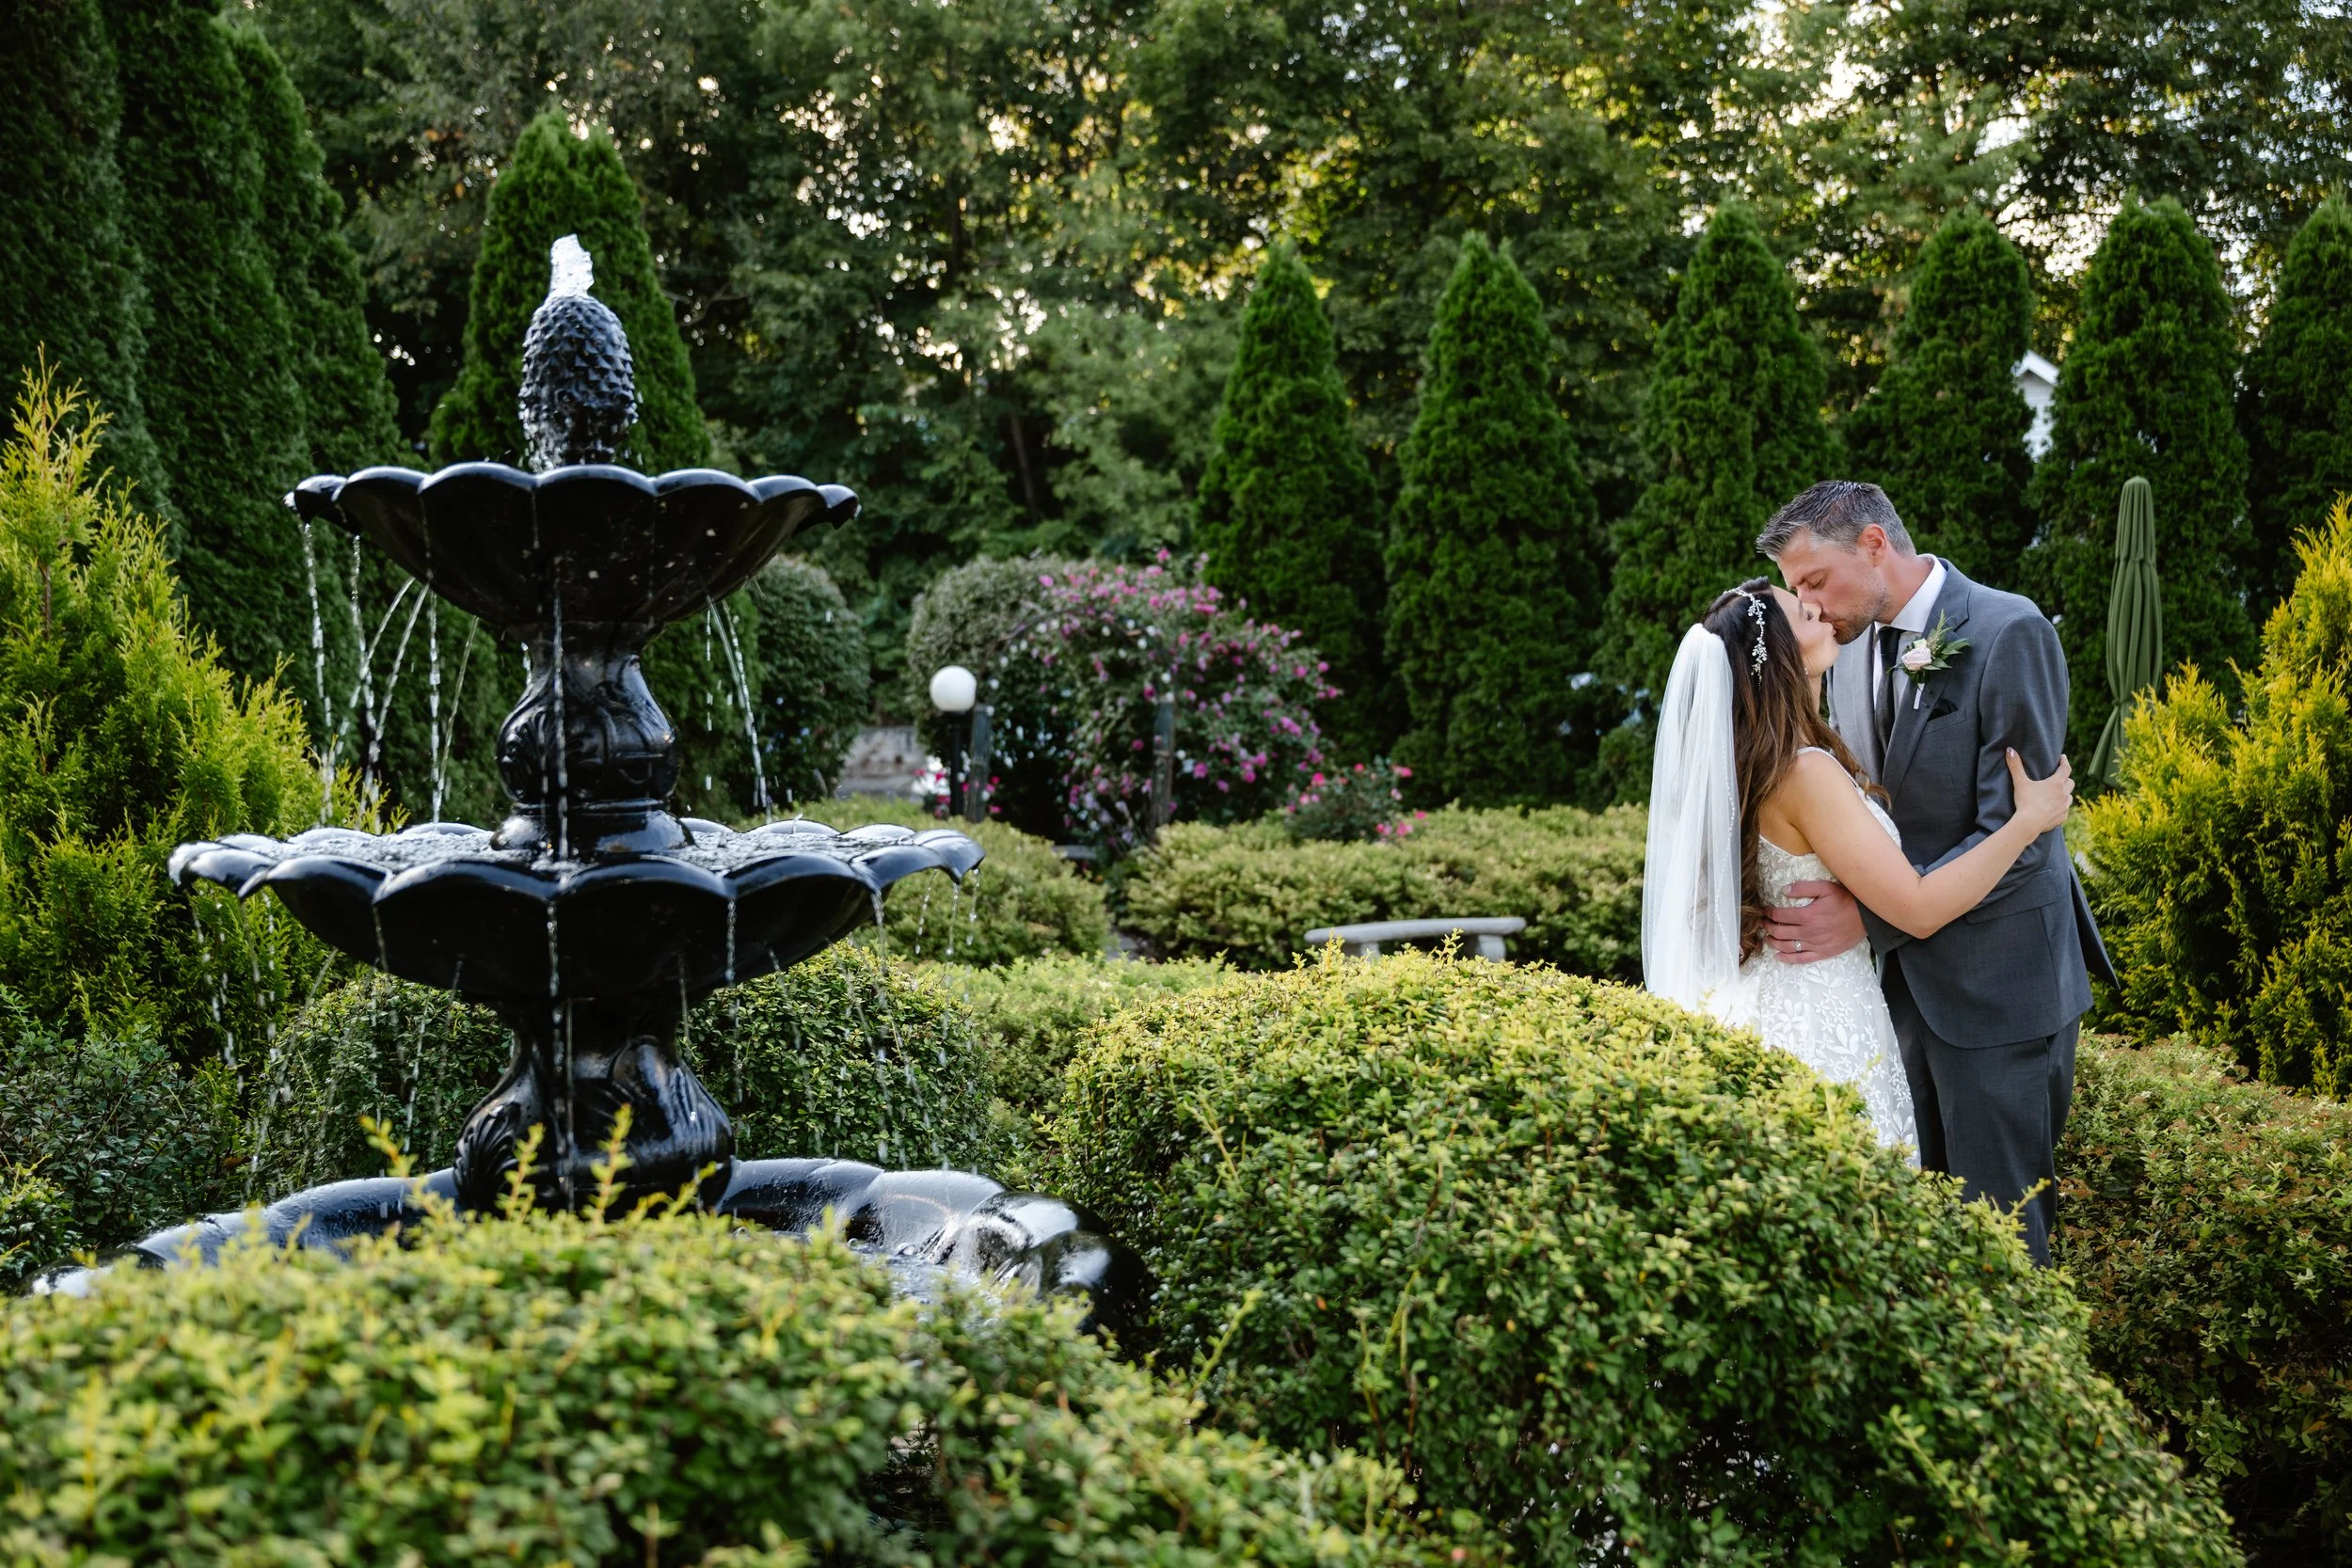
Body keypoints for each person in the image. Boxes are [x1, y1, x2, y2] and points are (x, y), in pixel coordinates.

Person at [1755, 481, 2117, 1264]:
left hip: (2000, 992)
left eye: (1814, 581)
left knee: (2006, 1241)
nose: (1807, 606)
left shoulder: (2008, 631)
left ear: (1875, 544)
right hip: (1898, 997)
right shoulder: (1842, 656)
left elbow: (2021, 834)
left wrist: (1872, 915)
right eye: (1794, 592)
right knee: (1927, 1240)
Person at [1642, 576, 2074, 1178]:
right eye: (1801, 609)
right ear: (1777, 657)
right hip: (1821, 1025)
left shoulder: (1758, 764)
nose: (1817, 606)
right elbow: (1918, 907)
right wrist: (2027, 822)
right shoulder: (1804, 771)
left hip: (1779, 1003)